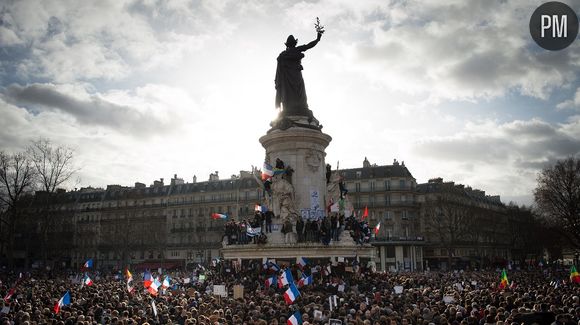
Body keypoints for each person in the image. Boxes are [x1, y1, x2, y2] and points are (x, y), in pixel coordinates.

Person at [275, 32, 322, 118]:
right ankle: (297, 107)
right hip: (293, 76)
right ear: (294, 43)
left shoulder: (282, 55)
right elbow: (308, 46)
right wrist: (318, 39)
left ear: (287, 45)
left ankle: (293, 108)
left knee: (290, 93)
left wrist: (317, 39)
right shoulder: (294, 51)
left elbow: (308, 46)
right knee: (298, 93)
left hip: (288, 78)